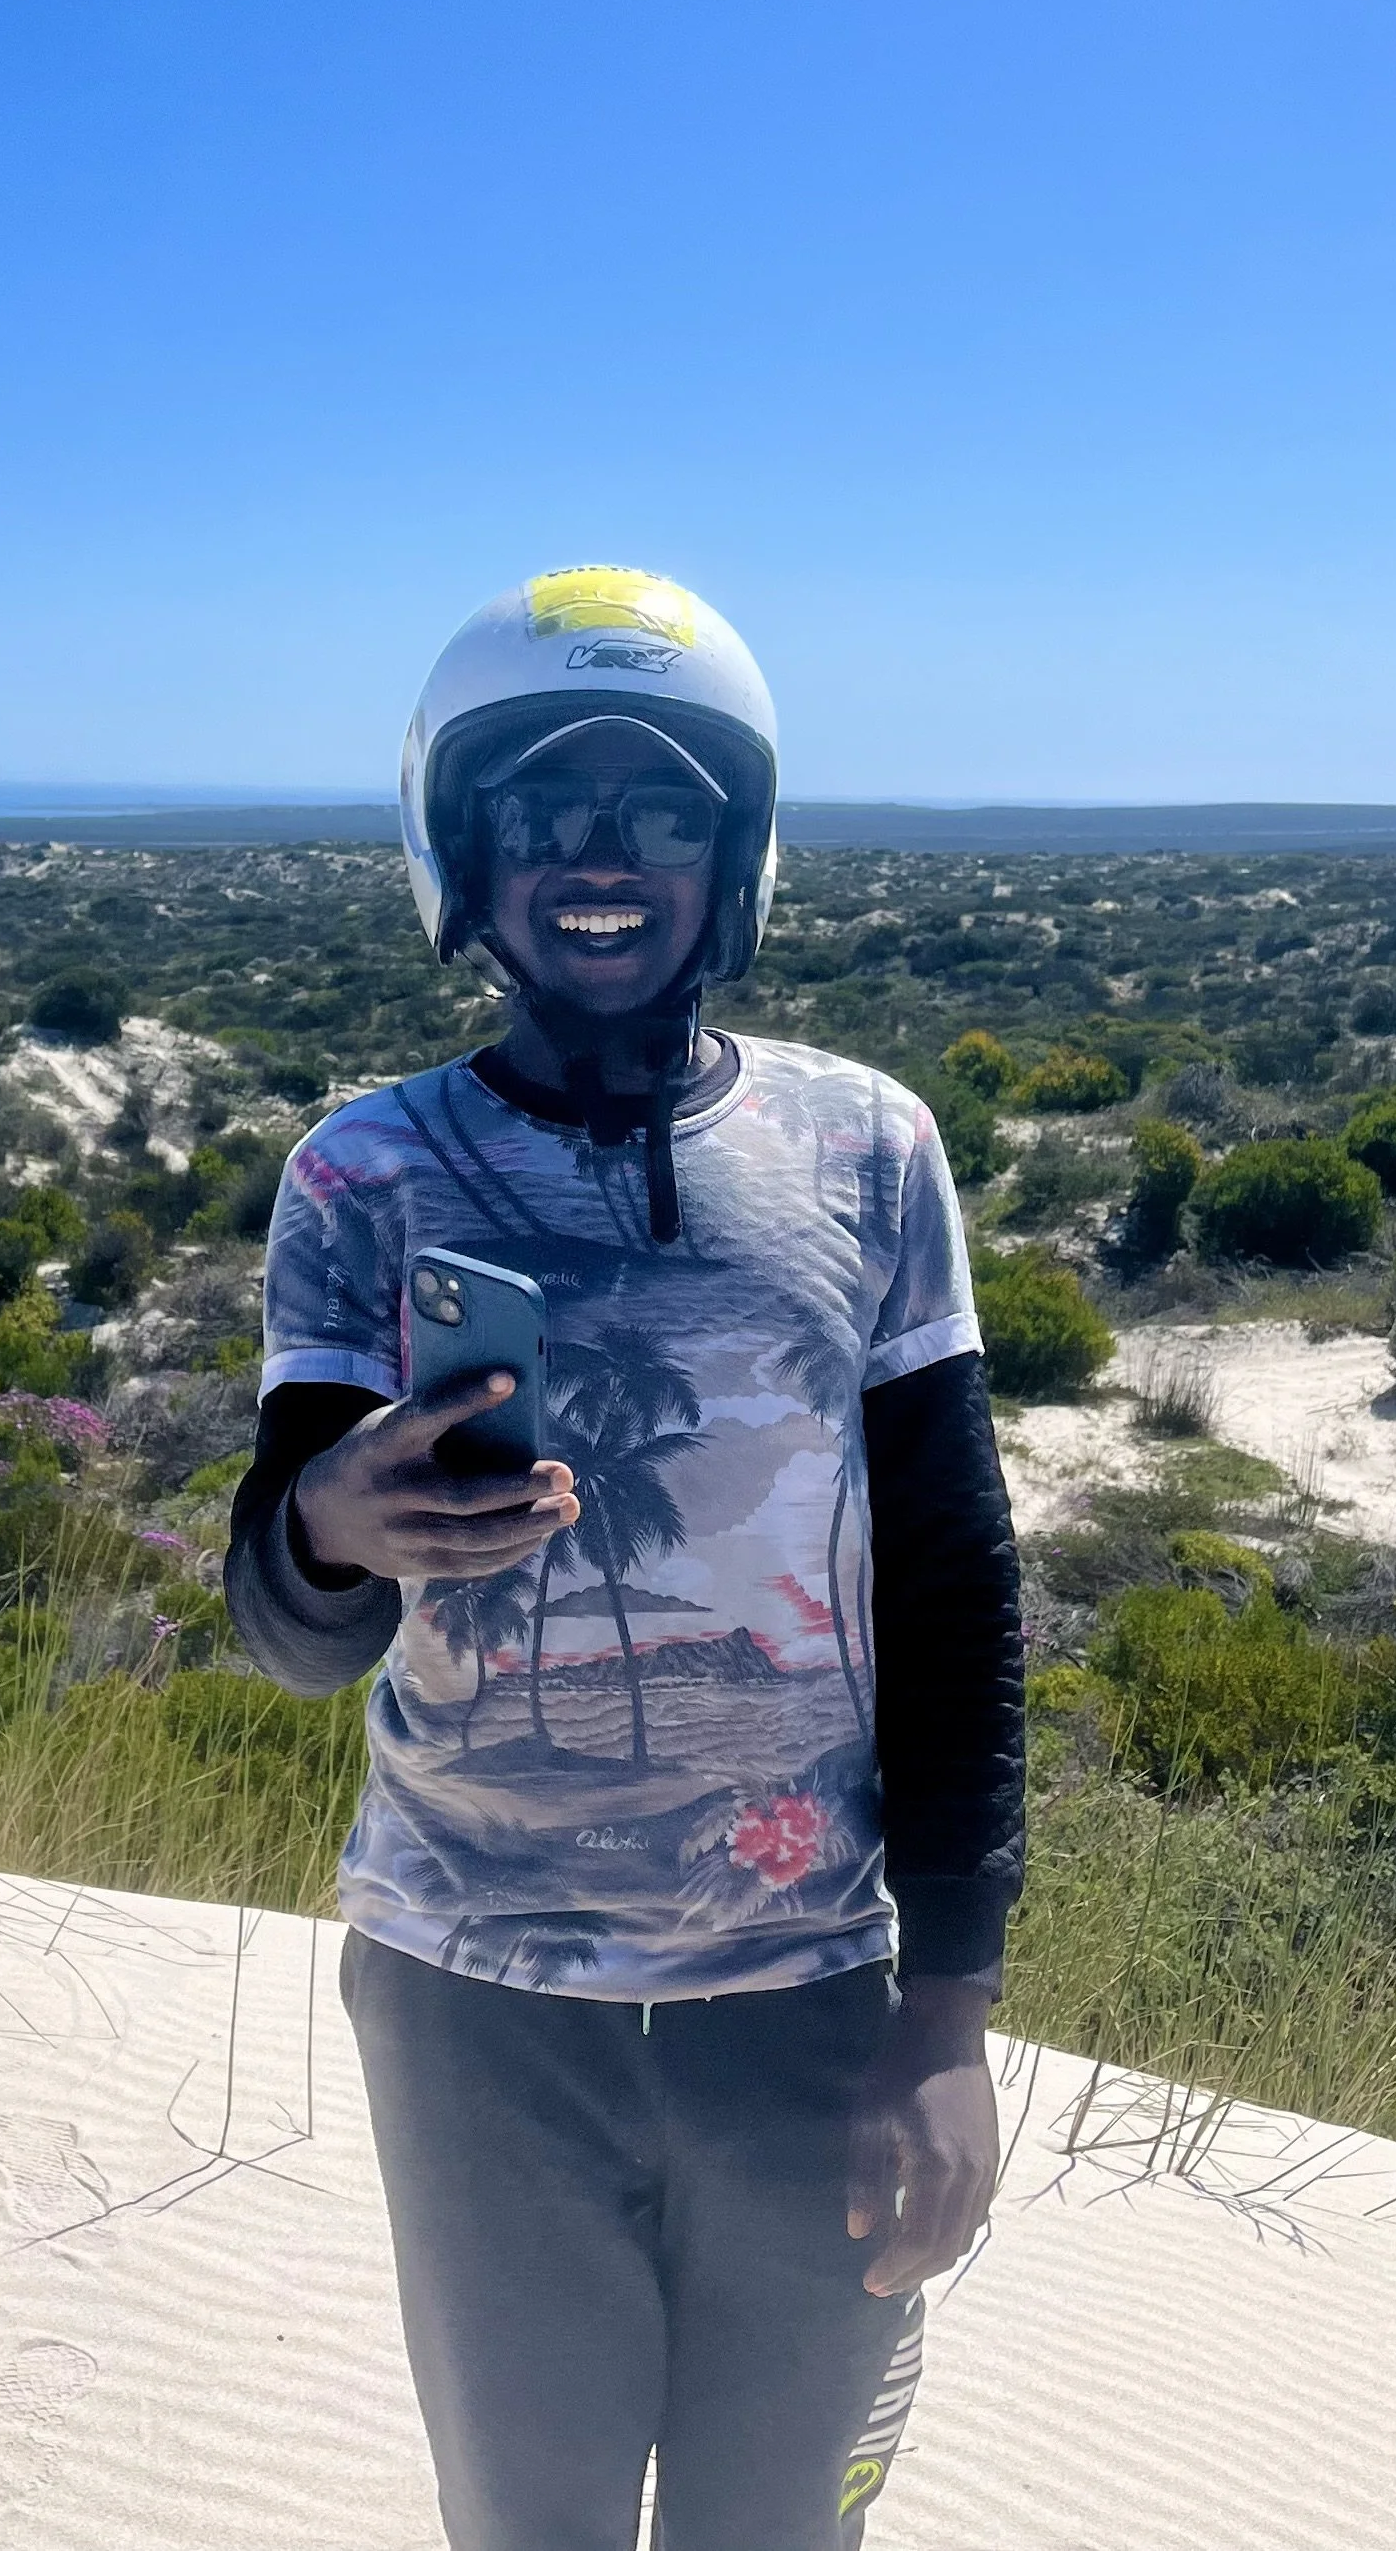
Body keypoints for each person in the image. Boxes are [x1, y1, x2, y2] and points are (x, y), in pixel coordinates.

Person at [226, 566, 1024, 2551]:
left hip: (811, 2001)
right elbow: (296, 1626)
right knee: (533, 2521)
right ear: (460, 850)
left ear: (729, 854)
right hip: (475, 2004)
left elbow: (950, 1585)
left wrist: (949, 2014)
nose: (599, 858)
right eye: (543, 811)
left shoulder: (868, 1151)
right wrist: (325, 1529)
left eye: (659, 810)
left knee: (779, 2525)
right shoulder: (358, 1171)